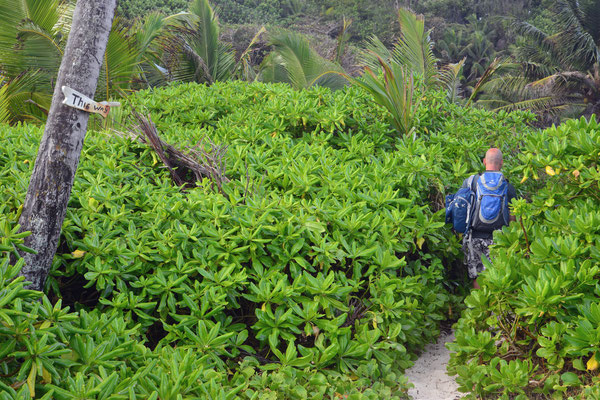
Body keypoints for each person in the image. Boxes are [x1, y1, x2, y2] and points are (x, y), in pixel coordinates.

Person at [462, 148, 516, 289]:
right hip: (498, 238)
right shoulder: (508, 186)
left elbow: (462, 209)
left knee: (477, 276)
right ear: (502, 163)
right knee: (496, 275)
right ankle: (494, 310)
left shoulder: (471, 182)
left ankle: (479, 307)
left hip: (475, 236)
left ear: (484, 161)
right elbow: (513, 217)